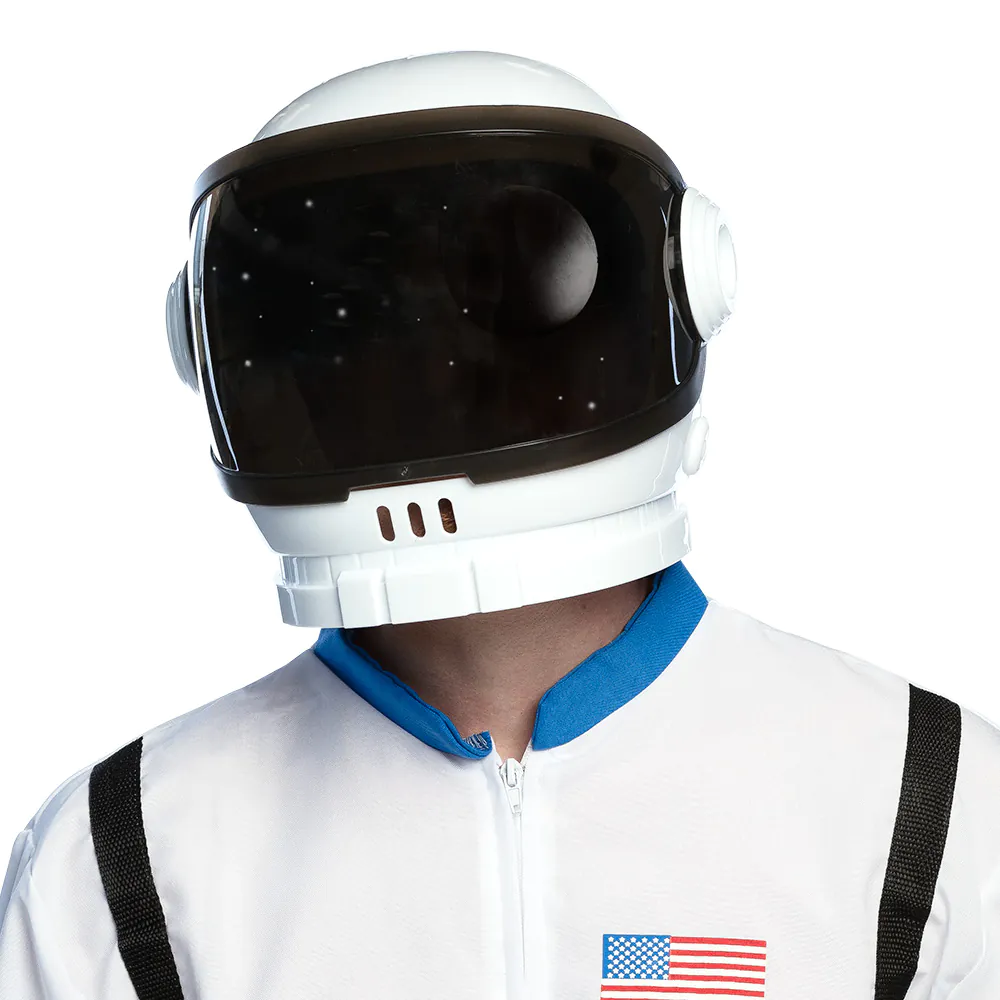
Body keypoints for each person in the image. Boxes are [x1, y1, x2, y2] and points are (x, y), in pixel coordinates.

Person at [0, 50, 997, 1000]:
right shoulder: (124, 857)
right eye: (359, 315)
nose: (434, 368)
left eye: (493, 299)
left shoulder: (924, 800)